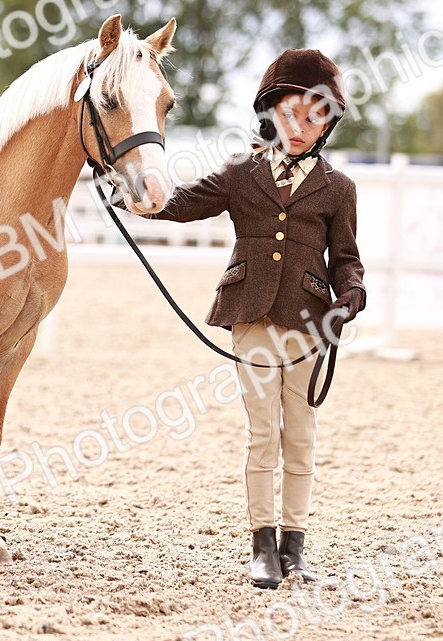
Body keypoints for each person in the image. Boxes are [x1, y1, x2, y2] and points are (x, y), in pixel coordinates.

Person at [113, 49, 366, 588]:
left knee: (299, 433)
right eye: (292, 113)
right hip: (249, 312)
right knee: (261, 433)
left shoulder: (338, 188)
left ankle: (294, 545)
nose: (301, 127)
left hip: (309, 321)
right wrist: (137, 195)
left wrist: (352, 294)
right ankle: (262, 545)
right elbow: (183, 203)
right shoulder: (240, 173)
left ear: (329, 123)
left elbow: (345, 258)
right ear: (271, 111)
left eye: (316, 116)